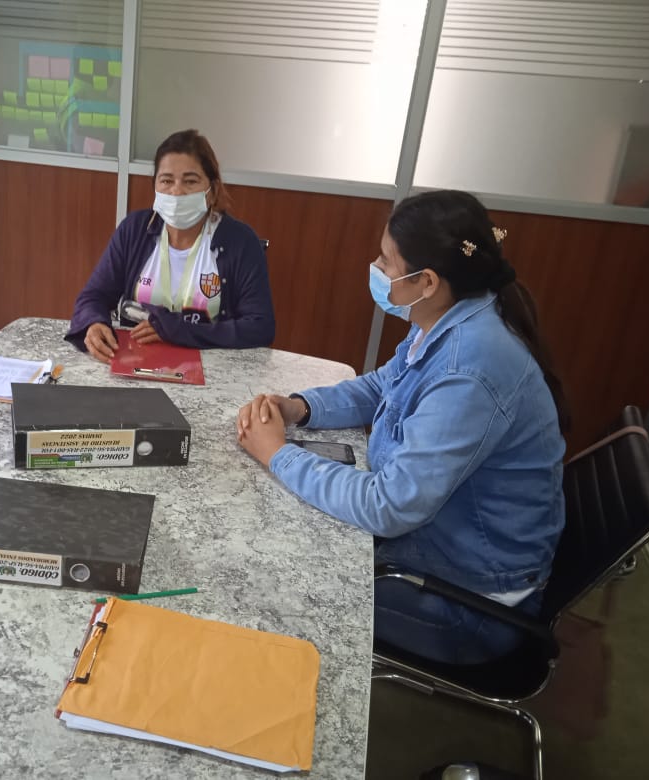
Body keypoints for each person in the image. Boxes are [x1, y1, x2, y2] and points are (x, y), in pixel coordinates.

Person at [236, 190, 570, 665]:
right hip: (431, 550)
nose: (375, 267)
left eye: (386, 261)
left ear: (427, 281)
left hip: (471, 606)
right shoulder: (451, 316)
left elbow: (389, 505)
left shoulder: (469, 370)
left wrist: (277, 454)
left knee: (276, 592)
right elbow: (383, 386)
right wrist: (300, 408)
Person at [65, 129, 274, 360]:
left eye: (190, 181)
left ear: (212, 191)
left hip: (211, 366)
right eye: (166, 180)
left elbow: (260, 327)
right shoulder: (134, 230)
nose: (176, 191)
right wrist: (93, 323)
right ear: (155, 186)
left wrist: (179, 331)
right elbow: (93, 296)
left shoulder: (240, 241)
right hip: (135, 358)